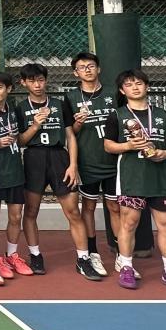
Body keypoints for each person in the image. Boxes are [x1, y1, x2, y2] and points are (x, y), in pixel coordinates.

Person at [102, 68, 166, 293]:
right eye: (129, 84)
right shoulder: (117, 115)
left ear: (147, 86)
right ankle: (126, 267)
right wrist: (128, 145)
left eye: (139, 83)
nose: (135, 87)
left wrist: (165, 153)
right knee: (128, 223)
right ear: (122, 90)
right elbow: (108, 145)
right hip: (132, 177)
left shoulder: (163, 115)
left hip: (160, 178)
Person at [63, 51, 147, 274]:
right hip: (88, 161)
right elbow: (70, 133)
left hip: (114, 160)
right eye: (82, 67)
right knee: (88, 207)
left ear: (98, 68)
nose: (87, 70)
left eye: (91, 66)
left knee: (115, 207)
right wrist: (79, 123)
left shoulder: (113, 93)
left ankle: (121, 255)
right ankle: (93, 253)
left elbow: (127, 119)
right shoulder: (70, 97)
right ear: (76, 72)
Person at [18, 62, 102, 281]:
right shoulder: (21, 107)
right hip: (34, 158)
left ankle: (83, 258)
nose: (37, 84)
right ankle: (35, 255)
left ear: (46, 81)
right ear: (24, 83)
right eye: (32, 81)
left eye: (40, 80)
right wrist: (35, 126)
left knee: (73, 211)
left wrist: (73, 165)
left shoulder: (59, 103)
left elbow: (71, 135)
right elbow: (20, 141)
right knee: (31, 211)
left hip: (59, 157)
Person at [0, 71, 32, 277]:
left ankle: (12, 254)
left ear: (9, 89)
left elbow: (19, 138)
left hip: (14, 169)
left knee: (16, 215)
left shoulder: (14, 109)